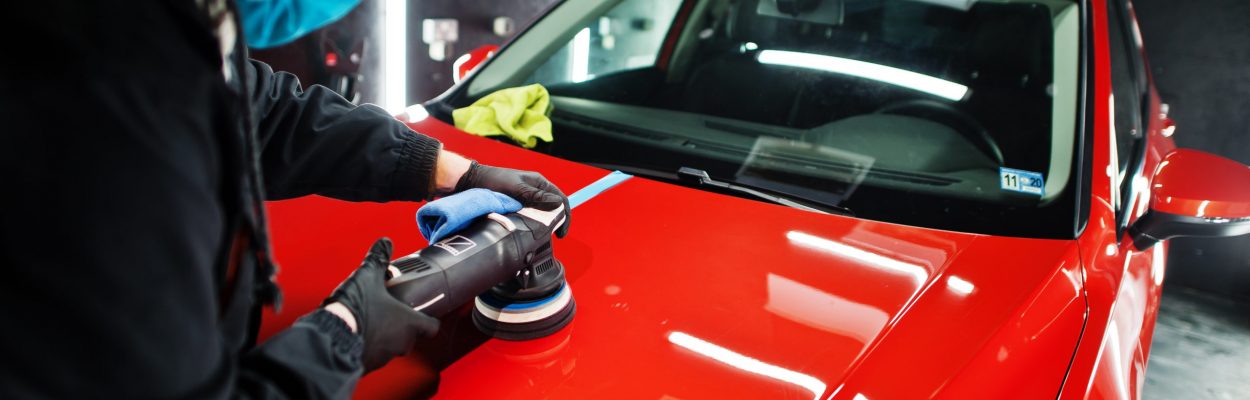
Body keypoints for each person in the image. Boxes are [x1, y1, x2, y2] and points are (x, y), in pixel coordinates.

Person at [0, 0, 570, 398]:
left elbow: (266, 114)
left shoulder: (159, 26)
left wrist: (453, 169)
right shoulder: (99, 92)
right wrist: (343, 335)